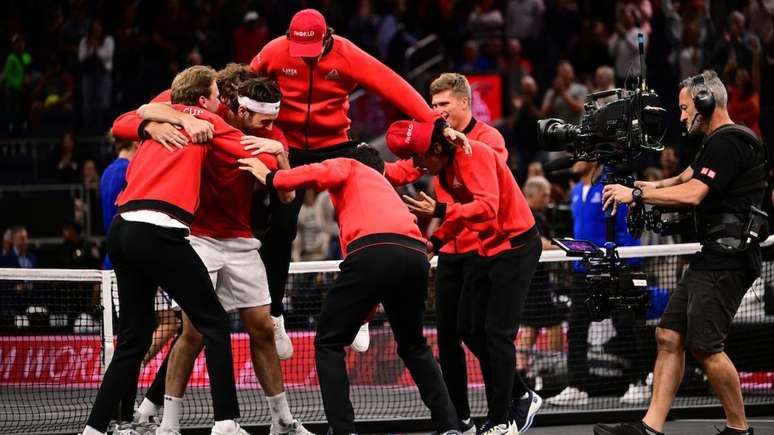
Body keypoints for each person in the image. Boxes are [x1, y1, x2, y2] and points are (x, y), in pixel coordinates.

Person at [112, 71, 310, 435]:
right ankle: (168, 425)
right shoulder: (205, 118)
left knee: (262, 328)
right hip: (198, 238)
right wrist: (156, 124)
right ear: (239, 110)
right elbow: (129, 119)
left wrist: (279, 156)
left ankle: (282, 421)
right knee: (193, 331)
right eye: (264, 121)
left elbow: (287, 195)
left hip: (241, 240)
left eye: (273, 121)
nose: (271, 128)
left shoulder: (271, 137)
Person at [78, 65, 269, 435]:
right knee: (214, 323)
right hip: (160, 231)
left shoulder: (154, 119)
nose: (221, 101)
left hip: (123, 230)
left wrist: (155, 121)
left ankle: (94, 430)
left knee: (134, 338)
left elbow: (123, 121)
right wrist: (276, 148)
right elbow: (249, 151)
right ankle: (226, 422)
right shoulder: (207, 122)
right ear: (203, 100)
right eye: (217, 95)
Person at [248, 8, 447, 357]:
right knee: (280, 228)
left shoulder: (347, 54)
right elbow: (242, 85)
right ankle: (275, 314)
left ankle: (363, 315)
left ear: (327, 38)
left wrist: (436, 124)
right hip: (288, 146)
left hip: (335, 143)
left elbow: (394, 86)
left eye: (313, 51)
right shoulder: (274, 51)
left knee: (364, 223)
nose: (306, 58)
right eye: (300, 51)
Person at [238, 144, 461, 435]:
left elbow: (315, 172)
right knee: (414, 345)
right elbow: (367, 277)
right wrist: (362, 318)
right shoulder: (385, 187)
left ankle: (343, 431)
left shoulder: (350, 165)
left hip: (374, 251)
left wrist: (272, 178)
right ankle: (449, 427)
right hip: (416, 255)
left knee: (328, 342)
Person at [596, 70, 764, 435]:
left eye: (686, 108)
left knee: (705, 346)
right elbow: (686, 177)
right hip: (713, 255)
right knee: (669, 335)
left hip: (728, 259)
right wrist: (648, 185)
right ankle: (651, 427)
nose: (682, 116)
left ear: (706, 103)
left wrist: (637, 195)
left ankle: (739, 429)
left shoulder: (728, 142)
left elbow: (694, 194)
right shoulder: (714, 142)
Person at [386, 119, 542, 435]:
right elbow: (464, 212)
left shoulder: (476, 154)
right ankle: (522, 394)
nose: (417, 164)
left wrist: (440, 210)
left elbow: (487, 207)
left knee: (497, 334)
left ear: (436, 148)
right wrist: (436, 241)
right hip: (488, 249)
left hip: (516, 247)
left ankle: (501, 420)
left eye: (418, 157)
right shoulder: (444, 169)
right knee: (469, 329)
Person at [382, 72, 507, 435]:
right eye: (433, 105)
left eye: (444, 104)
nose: (437, 111)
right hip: (449, 247)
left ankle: (508, 403)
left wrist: (440, 211)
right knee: (448, 337)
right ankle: (460, 419)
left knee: (481, 334)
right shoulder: (434, 141)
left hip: (483, 248)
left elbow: (488, 195)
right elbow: (404, 169)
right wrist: (369, 166)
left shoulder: (489, 140)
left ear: (465, 103)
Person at [544, 160, 649, 408]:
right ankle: (577, 386)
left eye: (579, 156)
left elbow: (625, 230)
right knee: (577, 327)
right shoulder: (575, 192)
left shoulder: (610, 187)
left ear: (593, 160)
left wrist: (625, 264)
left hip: (614, 268)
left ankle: (639, 382)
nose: (574, 160)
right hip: (583, 271)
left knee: (625, 324)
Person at [517, 176, 564, 384]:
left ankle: (521, 369)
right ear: (531, 195)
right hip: (533, 280)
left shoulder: (530, 214)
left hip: (530, 279)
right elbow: (539, 243)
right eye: (544, 195)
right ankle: (551, 368)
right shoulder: (529, 215)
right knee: (553, 325)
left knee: (531, 326)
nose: (548, 199)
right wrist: (566, 246)